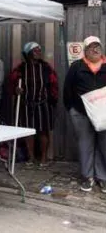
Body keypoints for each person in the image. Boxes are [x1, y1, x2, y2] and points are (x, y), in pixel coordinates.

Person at [63, 36, 106, 193]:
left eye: (97, 46)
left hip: (103, 115)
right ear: (85, 50)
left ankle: (103, 177)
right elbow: (67, 90)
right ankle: (87, 177)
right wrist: (72, 109)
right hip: (81, 113)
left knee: (104, 145)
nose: (95, 49)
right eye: (91, 47)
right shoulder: (77, 66)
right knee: (85, 145)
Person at [9, 42, 58, 167]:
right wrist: (16, 89)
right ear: (28, 53)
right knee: (28, 132)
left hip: (43, 105)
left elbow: (53, 84)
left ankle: (43, 158)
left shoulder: (46, 67)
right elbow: (12, 84)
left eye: (39, 50)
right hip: (26, 105)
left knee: (43, 132)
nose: (38, 52)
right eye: (35, 50)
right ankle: (30, 158)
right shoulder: (20, 68)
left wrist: (53, 100)